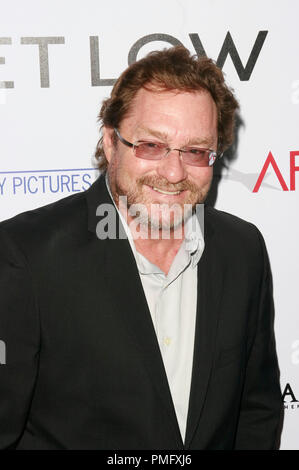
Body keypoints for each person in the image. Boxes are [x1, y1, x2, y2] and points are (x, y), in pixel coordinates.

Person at [0, 46, 283, 450]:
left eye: (196, 151)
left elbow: (256, 412)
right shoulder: (26, 256)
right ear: (111, 144)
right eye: (151, 145)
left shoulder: (242, 251)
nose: (173, 172)